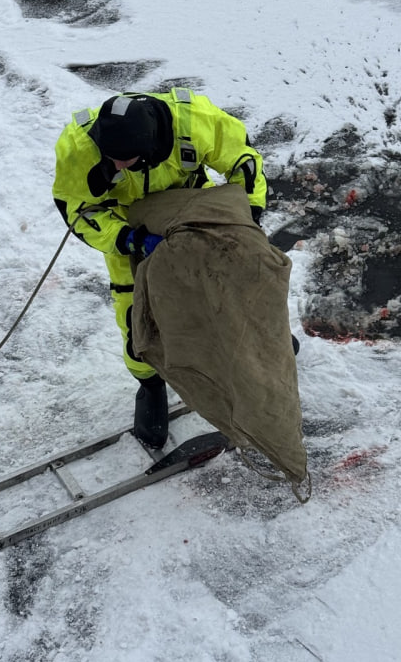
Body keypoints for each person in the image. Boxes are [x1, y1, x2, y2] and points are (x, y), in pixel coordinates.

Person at [52, 88, 267, 448]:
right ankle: (150, 385)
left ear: (150, 148)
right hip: (130, 234)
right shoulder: (80, 145)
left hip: (194, 218)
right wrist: (126, 239)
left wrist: (244, 219)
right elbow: (79, 210)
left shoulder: (194, 121)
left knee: (228, 290)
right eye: (112, 158)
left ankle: (261, 346)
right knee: (138, 318)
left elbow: (244, 162)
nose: (117, 165)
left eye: (126, 159)